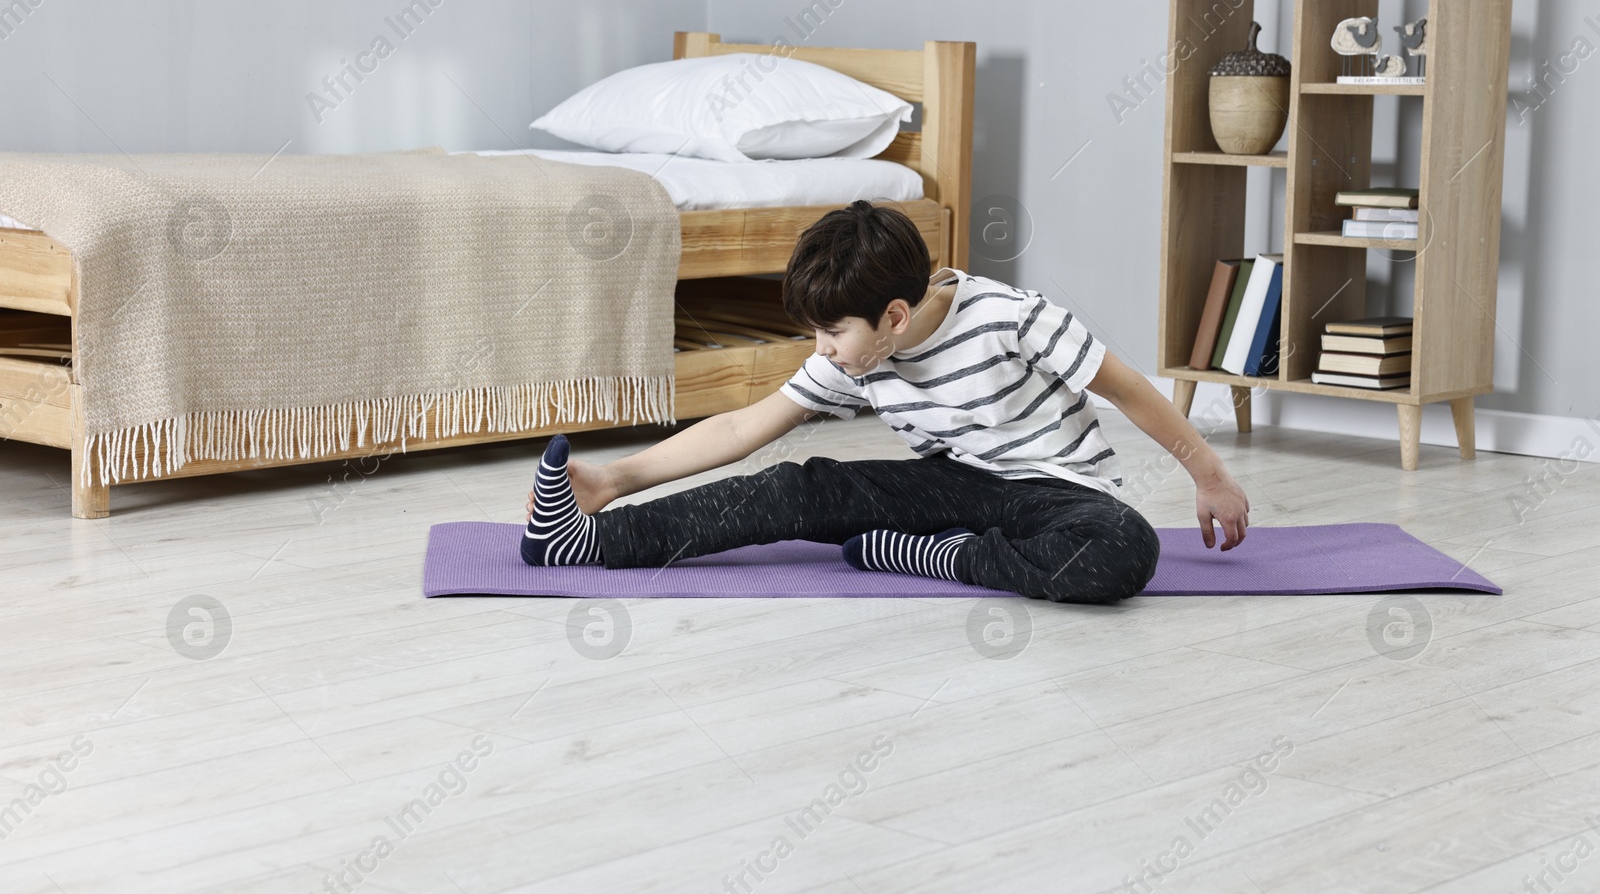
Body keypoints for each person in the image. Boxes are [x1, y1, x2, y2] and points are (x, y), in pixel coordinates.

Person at [521, 200, 1249, 603]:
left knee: (1125, 552)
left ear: (894, 317)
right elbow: (746, 426)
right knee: (797, 485)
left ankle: (943, 560)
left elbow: (1125, 387)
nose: (822, 349)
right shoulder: (858, 353)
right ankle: (588, 543)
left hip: (1056, 495)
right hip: (953, 487)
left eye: (832, 332)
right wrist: (612, 481)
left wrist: (1209, 474)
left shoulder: (1013, 317)